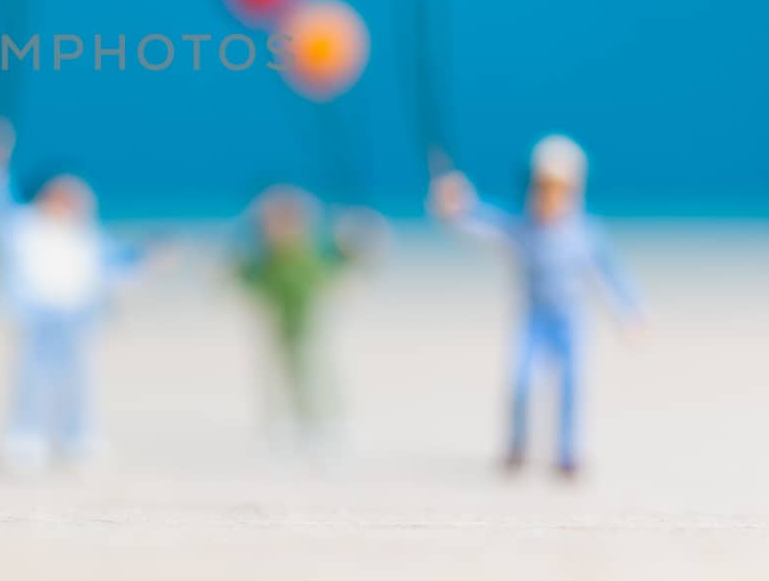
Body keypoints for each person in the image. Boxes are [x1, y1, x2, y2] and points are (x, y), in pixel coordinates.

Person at [427, 135, 643, 476]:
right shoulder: (523, 228)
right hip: (532, 317)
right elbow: (482, 223)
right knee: (520, 380)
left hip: (570, 319)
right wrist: (456, 206)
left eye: (559, 188)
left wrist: (629, 312)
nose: (549, 196)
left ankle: (568, 452)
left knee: (573, 385)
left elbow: (611, 274)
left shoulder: (585, 232)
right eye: (543, 187)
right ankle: (517, 444)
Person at [0, 117, 142, 470]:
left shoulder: (87, 235)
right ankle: (25, 434)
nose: (70, 202)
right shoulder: (24, 227)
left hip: (77, 315)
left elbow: (114, 263)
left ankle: (77, 435)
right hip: (38, 314)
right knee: (32, 377)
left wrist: (146, 256)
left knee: (78, 379)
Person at [234, 185, 386, 443]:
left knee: (316, 368)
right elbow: (245, 275)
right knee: (279, 373)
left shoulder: (314, 257)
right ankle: (284, 420)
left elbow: (349, 257)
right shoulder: (267, 263)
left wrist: (362, 239)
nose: (283, 230)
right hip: (281, 325)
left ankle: (326, 419)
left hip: (309, 323)